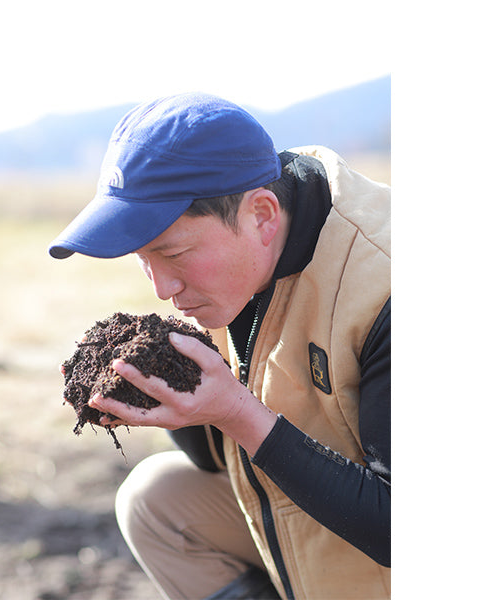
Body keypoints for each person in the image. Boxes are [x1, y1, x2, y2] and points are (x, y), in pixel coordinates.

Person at [49, 92, 391, 600]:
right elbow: (220, 464)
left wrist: (236, 412)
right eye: (143, 258)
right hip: (324, 534)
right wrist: (178, 399)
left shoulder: (389, 284)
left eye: (174, 253)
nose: (161, 288)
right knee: (157, 499)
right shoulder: (246, 265)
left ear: (262, 214)